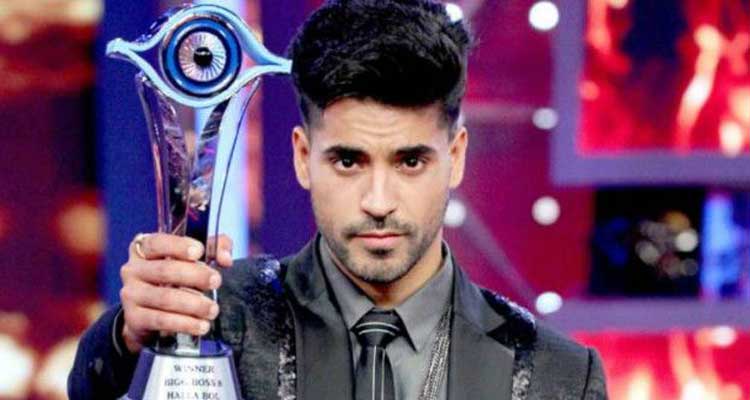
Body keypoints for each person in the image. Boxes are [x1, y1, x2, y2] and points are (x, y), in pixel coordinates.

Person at [68, 0, 608, 399]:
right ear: (303, 157)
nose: (379, 201)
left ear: (456, 156)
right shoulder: (218, 315)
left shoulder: (556, 374)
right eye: (349, 161)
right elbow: (94, 386)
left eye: (410, 162)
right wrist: (125, 337)